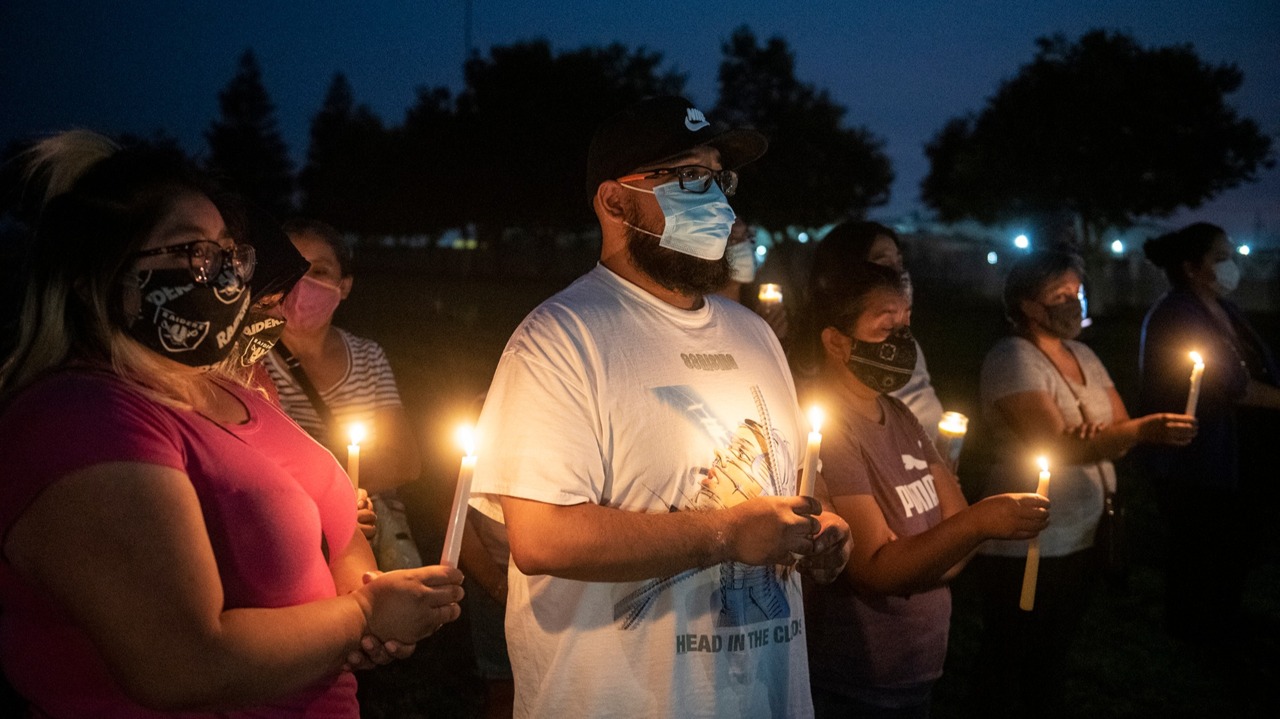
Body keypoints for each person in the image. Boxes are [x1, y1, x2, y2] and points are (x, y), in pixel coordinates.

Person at [0, 130, 462, 718]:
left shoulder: (225, 390)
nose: (223, 275)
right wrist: (362, 616)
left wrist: (364, 602)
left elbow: (337, 528)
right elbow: (180, 661)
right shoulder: (83, 419)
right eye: (193, 253)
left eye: (228, 252)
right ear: (100, 271)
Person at [468, 96, 851, 718]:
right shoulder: (561, 338)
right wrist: (726, 532)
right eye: (690, 176)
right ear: (615, 201)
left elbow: (787, 483)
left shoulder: (754, 336)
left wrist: (820, 528)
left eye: (720, 178)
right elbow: (540, 538)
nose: (719, 200)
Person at [798, 260, 1049, 718]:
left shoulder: (900, 415)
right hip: (858, 677)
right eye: (886, 327)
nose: (902, 341)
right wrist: (977, 525)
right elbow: (877, 570)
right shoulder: (831, 429)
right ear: (836, 341)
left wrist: (931, 551)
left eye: (907, 326)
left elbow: (950, 538)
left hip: (919, 667)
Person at [968, 249, 1196, 717]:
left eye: (1077, 292)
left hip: (1084, 533)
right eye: (1060, 295)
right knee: (1010, 655)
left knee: (1053, 655)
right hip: (1029, 539)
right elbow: (1059, 444)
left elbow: (1118, 431)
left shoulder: (1084, 354)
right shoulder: (1012, 357)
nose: (1074, 303)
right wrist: (1132, 433)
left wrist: (1117, 436)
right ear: (1028, 305)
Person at [1138, 222, 1280, 644]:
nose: (1231, 265)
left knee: (1235, 541)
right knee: (1200, 541)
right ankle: (1194, 630)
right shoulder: (1177, 314)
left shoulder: (1226, 310)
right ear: (1191, 267)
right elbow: (1232, 385)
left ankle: (1224, 618)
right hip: (1198, 455)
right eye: (1221, 257)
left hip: (1238, 451)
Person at [263, 218, 423, 568]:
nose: (302, 283)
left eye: (319, 271)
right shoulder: (252, 362)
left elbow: (405, 460)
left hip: (378, 534)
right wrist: (339, 494)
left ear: (344, 285)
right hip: (298, 532)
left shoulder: (367, 356)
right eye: (292, 269)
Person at [810, 220, 945, 439]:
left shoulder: (907, 345)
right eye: (884, 264)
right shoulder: (840, 396)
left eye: (899, 262)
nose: (898, 274)